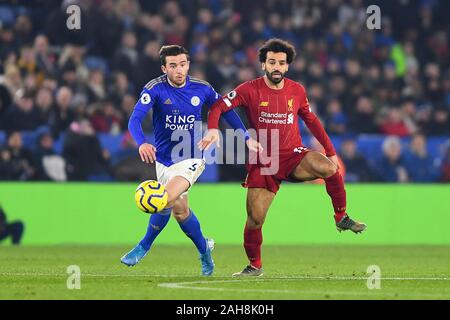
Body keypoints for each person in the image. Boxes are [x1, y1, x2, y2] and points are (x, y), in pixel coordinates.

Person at [200, 39, 366, 277]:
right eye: (272, 62)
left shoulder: (297, 90)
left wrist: (330, 150)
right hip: (264, 161)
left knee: (328, 167)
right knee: (255, 219)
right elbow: (218, 107)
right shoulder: (249, 89)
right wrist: (214, 128)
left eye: (281, 63)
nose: (276, 66)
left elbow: (312, 120)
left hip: (292, 155)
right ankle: (255, 265)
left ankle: (341, 216)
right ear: (263, 65)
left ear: (287, 66)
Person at [121, 45, 252, 276]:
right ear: (164, 68)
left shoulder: (202, 88)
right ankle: (205, 251)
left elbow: (226, 110)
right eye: (173, 66)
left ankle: (143, 246)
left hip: (192, 156)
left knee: (164, 199)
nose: (179, 70)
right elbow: (135, 119)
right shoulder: (155, 88)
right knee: (180, 212)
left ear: (188, 65)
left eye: (182, 64)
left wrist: (247, 137)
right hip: (163, 160)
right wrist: (141, 142)